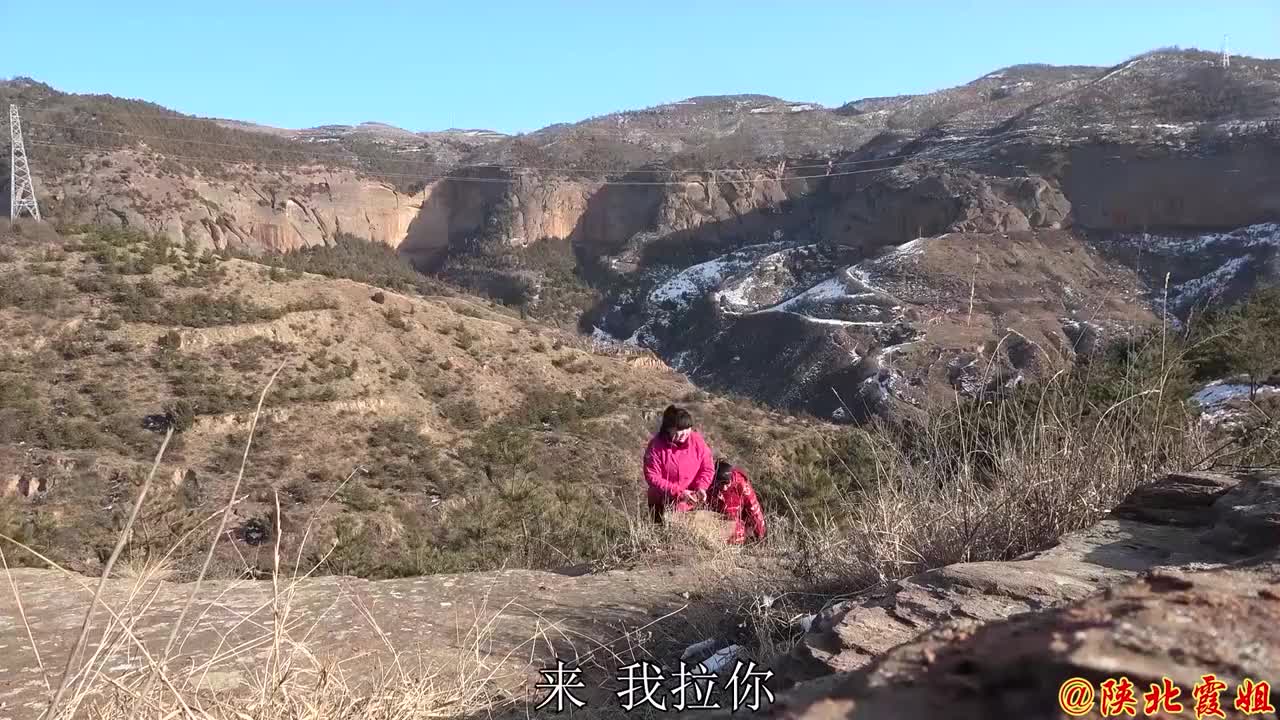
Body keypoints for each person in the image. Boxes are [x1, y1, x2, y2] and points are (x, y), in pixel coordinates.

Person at [643, 405, 714, 523]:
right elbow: (652, 476)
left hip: (690, 502)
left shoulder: (696, 441)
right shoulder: (656, 446)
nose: (685, 433)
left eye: (688, 429)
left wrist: (701, 487)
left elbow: (707, 467)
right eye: (680, 430)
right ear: (668, 429)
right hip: (661, 503)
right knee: (662, 535)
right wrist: (679, 493)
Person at [707, 459, 767, 545]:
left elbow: (754, 509)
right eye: (720, 484)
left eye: (726, 483)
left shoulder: (741, 485)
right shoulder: (710, 486)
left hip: (739, 525)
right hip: (719, 522)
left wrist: (760, 535)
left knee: (739, 532)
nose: (724, 487)